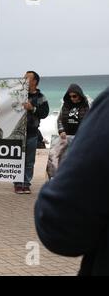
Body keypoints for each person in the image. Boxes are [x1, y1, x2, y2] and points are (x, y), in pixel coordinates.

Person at [35, 87, 109, 276]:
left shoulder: (97, 108)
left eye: (76, 96)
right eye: (71, 96)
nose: (73, 98)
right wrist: (61, 130)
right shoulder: (66, 108)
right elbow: (59, 118)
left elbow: (61, 220)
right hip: (67, 138)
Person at [13, 71, 49, 194]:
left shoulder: (41, 97)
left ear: (35, 81)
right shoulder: (17, 94)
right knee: (17, 159)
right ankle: (17, 184)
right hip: (17, 133)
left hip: (32, 133)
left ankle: (26, 183)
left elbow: (44, 113)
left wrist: (32, 108)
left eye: (27, 78)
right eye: (23, 78)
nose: (24, 80)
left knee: (29, 160)